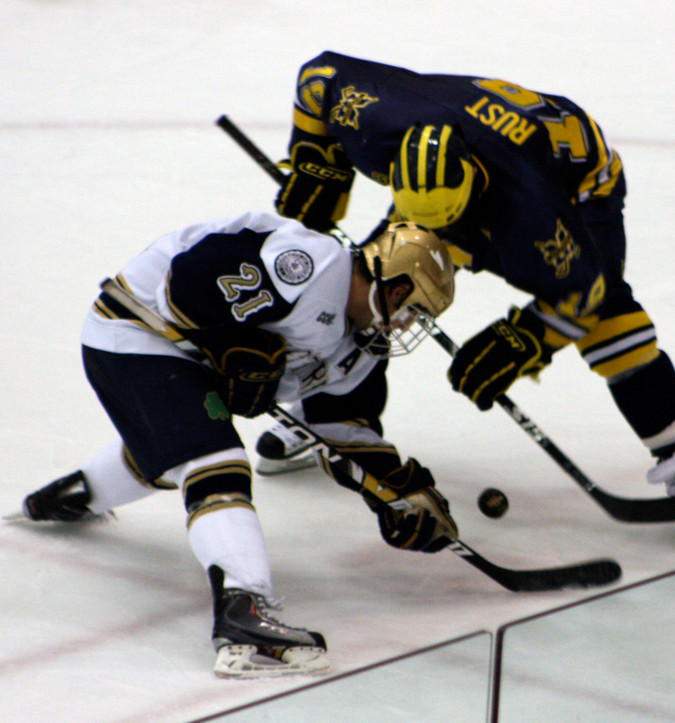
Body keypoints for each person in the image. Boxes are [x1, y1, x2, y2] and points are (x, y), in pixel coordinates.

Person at [259, 52, 675, 546]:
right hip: (475, 161)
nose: (433, 243)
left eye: (444, 227)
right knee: (374, 290)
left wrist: (526, 340)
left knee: (609, 318)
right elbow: (318, 77)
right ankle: (330, 411)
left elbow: (586, 293)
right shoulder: (380, 124)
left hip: (579, 185)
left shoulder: (531, 211)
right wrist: (316, 160)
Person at [19, 213, 458, 678]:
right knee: (214, 460)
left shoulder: (362, 347)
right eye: (413, 310)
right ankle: (243, 612)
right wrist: (237, 345)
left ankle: (79, 493)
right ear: (395, 288)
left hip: (185, 360)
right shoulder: (312, 265)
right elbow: (187, 284)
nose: (406, 325)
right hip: (136, 330)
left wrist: (395, 491)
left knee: (185, 443)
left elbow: (340, 428)